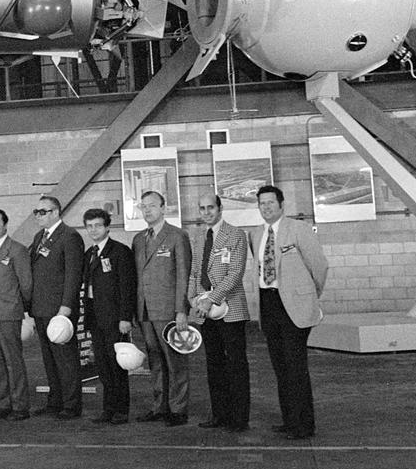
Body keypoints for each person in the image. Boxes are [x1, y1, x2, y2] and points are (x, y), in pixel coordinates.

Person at [251, 185, 327, 440]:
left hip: (294, 306)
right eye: (262, 203)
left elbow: (319, 265)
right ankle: (289, 419)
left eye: (271, 203)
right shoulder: (256, 234)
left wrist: (309, 295)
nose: (266, 207)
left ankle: (304, 425)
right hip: (269, 303)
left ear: (282, 205)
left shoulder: (299, 229)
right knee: (280, 366)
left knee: (296, 367)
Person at [189, 194, 251, 432]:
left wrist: (211, 299)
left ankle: (239, 418)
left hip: (230, 309)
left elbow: (235, 274)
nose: (206, 212)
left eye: (210, 208)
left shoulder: (235, 235)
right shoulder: (198, 237)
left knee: (236, 364)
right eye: (202, 208)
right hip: (205, 311)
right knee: (214, 364)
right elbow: (195, 273)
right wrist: (194, 298)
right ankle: (219, 414)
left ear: (220, 208)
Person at [133, 190, 193, 425]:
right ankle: (159, 406)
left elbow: (183, 276)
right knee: (155, 361)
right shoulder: (139, 239)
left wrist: (181, 310)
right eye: (143, 206)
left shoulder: (177, 236)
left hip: (169, 310)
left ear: (163, 208)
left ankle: (178, 409)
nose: (147, 210)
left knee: (175, 361)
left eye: (152, 206)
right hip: (145, 310)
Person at [28, 196, 87, 419]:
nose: (38, 215)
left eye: (42, 212)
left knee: (66, 359)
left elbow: (73, 274)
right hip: (41, 308)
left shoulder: (70, 236)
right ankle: (55, 401)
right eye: (36, 211)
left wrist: (66, 307)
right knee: (49, 359)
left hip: (60, 309)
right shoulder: (39, 237)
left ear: (55, 212)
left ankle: (72, 404)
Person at [80, 208, 137, 425]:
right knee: (103, 365)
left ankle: (121, 410)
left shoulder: (120, 252)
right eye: (89, 226)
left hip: (114, 318)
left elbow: (127, 287)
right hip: (95, 317)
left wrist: (125, 317)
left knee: (117, 364)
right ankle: (108, 408)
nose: (93, 229)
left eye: (97, 225)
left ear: (107, 227)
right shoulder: (89, 253)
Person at [0, 207, 33, 421]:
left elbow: (26, 284)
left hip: (9, 312)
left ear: (5, 224)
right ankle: (3, 404)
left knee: (13, 360)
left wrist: (21, 308)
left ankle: (20, 406)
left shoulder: (17, 250)